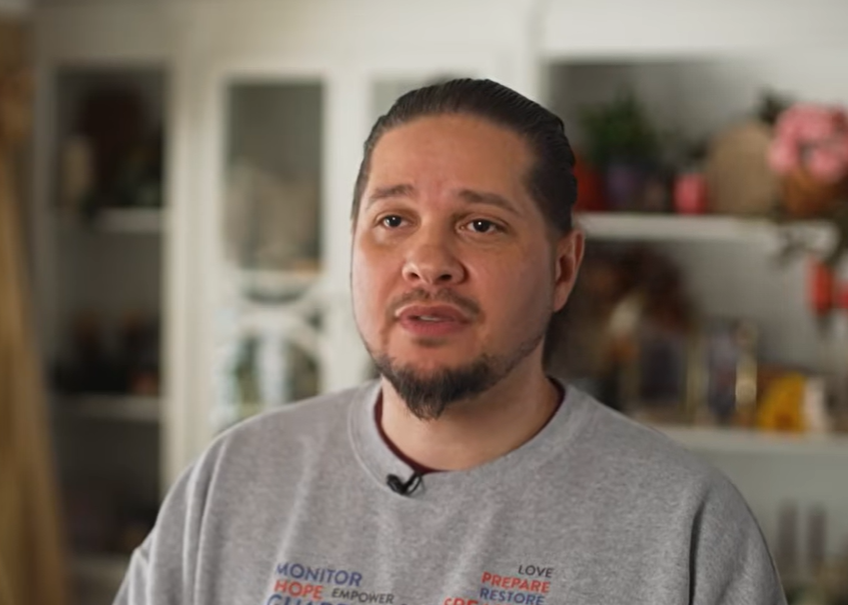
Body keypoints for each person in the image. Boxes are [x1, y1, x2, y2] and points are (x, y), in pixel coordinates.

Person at [115, 79, 786, 605]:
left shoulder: (684, 524)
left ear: (562, 268)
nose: (426, 260)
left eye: (482, 225)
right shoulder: (233, 480)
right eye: (393, 218)